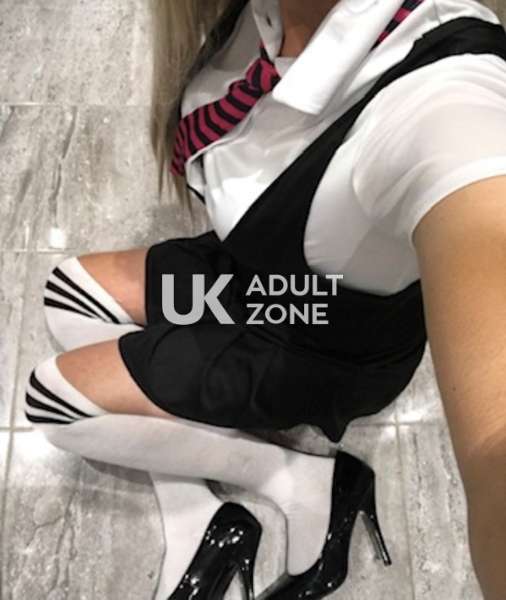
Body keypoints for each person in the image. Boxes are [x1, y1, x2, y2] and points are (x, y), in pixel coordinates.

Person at [24, 0, 506, 598]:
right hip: (267, 286)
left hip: (314, 343)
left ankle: (304, 481)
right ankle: (198, 516)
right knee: (68, 293)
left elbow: (495, 443)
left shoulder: (449, 103)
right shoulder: (261, 13)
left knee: (54, 402)